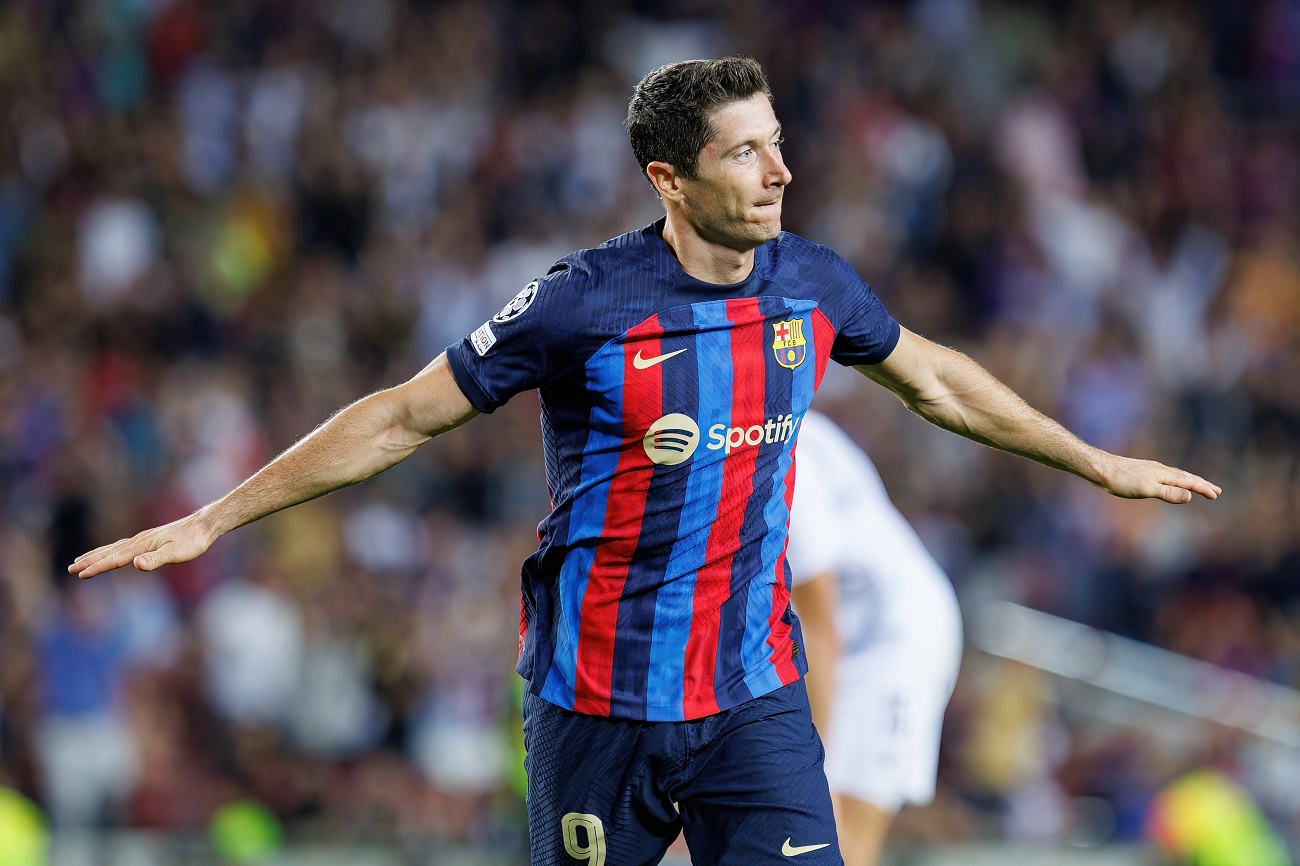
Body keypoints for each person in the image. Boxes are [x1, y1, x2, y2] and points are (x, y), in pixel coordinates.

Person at [71, 57, 1220, 866]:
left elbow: (940, 380)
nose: (778, 172)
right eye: (744, 152)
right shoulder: (583, 302)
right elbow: (402, 418)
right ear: (669, 179)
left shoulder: (811, 284)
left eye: (777, 142)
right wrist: (214, 517)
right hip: (597, 703)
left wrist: (1093, 460)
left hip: (751, 693)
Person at [786, 411, 963, 866]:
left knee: (836, 838)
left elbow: (820, 625)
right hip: (846, 636)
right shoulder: (759, 427)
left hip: (895, 638)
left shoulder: (784, 451)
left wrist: (813, 768)